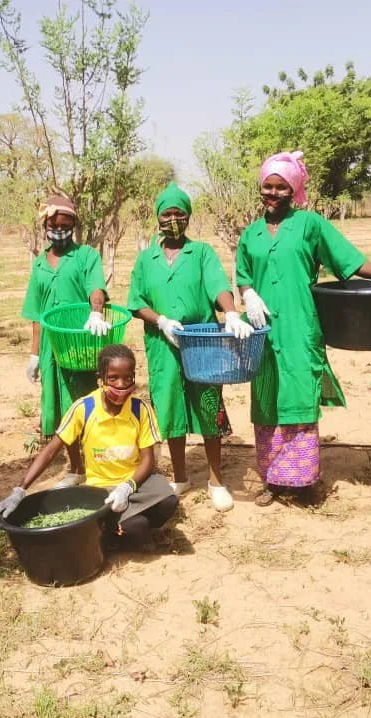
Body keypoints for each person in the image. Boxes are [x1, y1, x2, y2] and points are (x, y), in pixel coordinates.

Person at [237, 150, 371, 507]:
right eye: (268, 186)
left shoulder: (310, 225)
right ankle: (273, 479)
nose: (273, 194)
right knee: (266, 397)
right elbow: (243, 276)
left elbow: (349, 260)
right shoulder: (251, 234)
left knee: (299, 394)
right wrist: (247, 295)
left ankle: (302, 481)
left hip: (300, 325)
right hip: (262, 329)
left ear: (293, 190)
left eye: (282, 187)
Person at [127, 182, 253, 512]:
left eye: (179, 214)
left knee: (208, 405)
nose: (172, 219)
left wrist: (232, 312)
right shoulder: (146, 259)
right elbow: (136, 302)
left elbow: (218, 286)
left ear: (188, 218)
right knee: (170, 406)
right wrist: (161, 321)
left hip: (202, 341)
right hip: (162, 343)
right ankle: (180, 476)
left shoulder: (201, 253)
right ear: (157, 218)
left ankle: (215, 480)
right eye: (166, 214)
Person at [0, 344, 178, 551]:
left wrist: (128, 487)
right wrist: (20, 489)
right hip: (100, 490)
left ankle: (130, 521)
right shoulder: (84, 408)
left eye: (128, 378)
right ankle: (122, 526)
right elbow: (50, 451)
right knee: (137, 527)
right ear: (100, 378)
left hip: (135, 482)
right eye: (113, 378)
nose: (121, 384)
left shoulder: (140, 409)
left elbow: (148, 459)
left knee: (168, 501)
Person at [22, 194, 111, 488]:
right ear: (45, 225)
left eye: (65, 224)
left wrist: (96, 312)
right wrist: (34, 354)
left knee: (86, 403)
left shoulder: (86, 256)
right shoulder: (38, 264)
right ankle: (76, 468)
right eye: (54, 225)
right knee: (62, 409)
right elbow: (36, 313)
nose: (59, 230)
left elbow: (96, 288)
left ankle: (99, 465)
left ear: (73, 224)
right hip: (51, 346)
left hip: (79, 341)